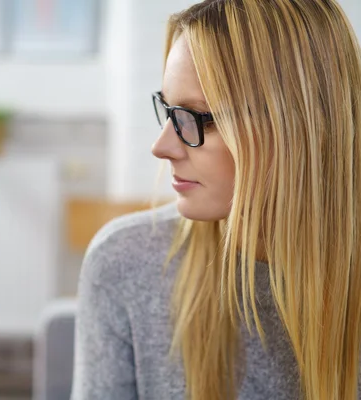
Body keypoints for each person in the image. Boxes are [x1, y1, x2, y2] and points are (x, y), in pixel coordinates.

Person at [70, 0, 361, 399]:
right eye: (170, 111)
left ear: (302, 126)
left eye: (198, 117)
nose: (162, 147)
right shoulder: (125, 262)